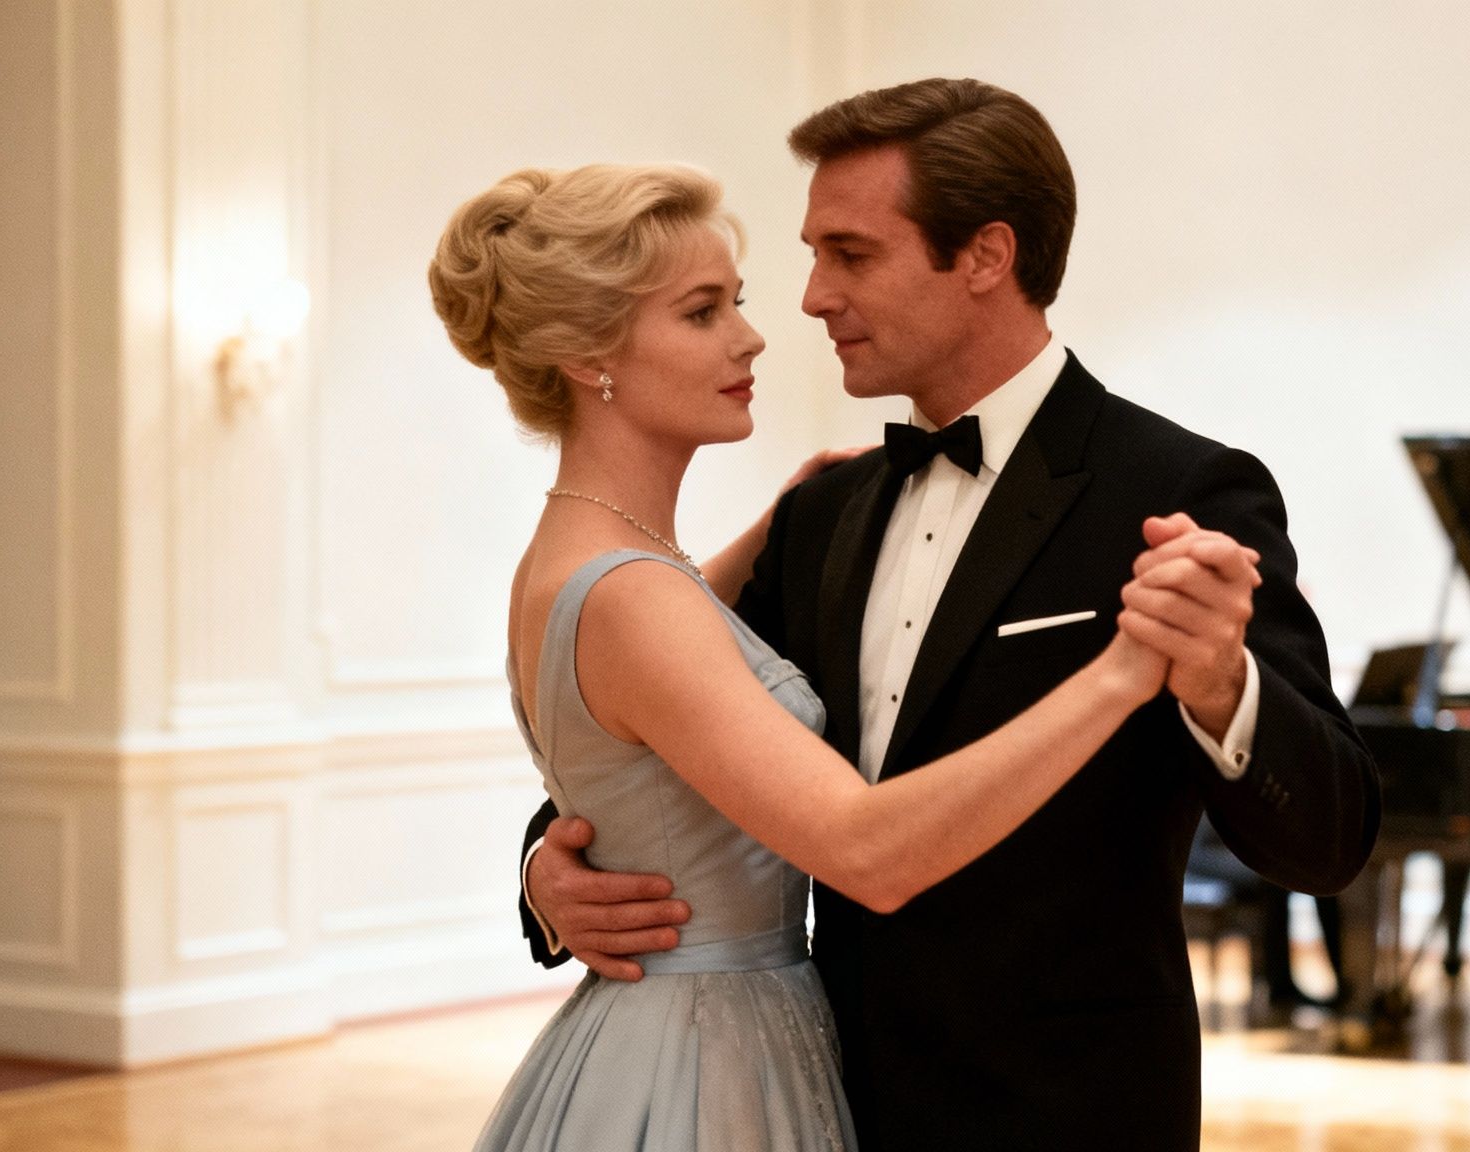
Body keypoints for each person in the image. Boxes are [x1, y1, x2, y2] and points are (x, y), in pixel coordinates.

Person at [521, 79, 1382, 1151]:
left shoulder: (1176, 492)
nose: (811, 299)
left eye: (850, 255)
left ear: (984, 256)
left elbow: (1331, 840)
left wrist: (1219, 685)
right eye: (812, 255)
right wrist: (551, 870)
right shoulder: (821, 513)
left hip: (1066, 1117)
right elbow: (684, 736)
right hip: (817, 1099)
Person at [432, 163, 1179, 1151]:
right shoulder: (631, 596)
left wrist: (785, 525)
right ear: (585, 356)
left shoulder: (608, 564)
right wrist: (1123, 674)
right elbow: (864, 848)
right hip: (704, 1065)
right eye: (702, 312)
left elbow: (655, 700)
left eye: (734, 302)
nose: (751, 337)